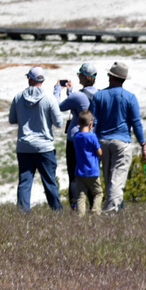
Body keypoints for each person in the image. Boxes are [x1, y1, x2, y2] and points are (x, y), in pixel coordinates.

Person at [91, 62, 146, 212]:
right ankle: (110, 212)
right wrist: (143, 145)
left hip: (102, 141)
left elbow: (94, 122)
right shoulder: (130, 97)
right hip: (122, 141)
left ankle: (117, 210)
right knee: (117, 180)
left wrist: (93, 142)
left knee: (109, 179)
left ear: (111, 76)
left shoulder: (99, 96)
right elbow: (136, 123)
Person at [7, 66, 63, 212]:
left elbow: (12, 119)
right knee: (50, 182)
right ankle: (57, 212)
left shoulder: (19, 97)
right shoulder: (49, 98)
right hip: (44, 146)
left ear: (30, 79)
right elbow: (59, 123)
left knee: (25, 183)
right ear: (42, 80)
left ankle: (23, 213)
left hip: (24, 146)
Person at [54, 62, 97, 211]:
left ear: (85, 77)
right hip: (92, 137)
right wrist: (71, 91)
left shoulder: (79, 96)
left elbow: (57, 106)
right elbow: (79, 103)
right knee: (90, 172)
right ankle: (93, 205)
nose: (78, 76)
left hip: (75, 138)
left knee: (74, 173)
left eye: (80, 74)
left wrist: (57, 89)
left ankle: (75, 205)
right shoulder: (98, 94)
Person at [70, 110, 103, 215]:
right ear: (91, 123)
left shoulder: (76, 137)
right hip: (92, 170)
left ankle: (80, 215)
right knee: (98, 192)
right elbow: (99, 152)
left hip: (80, 171)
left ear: (78, 123)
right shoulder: (92, 137)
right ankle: (95, 210)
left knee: (81, 195)